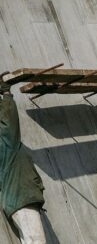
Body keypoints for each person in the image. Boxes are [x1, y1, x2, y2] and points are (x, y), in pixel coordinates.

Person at [0, 76, 46, 243]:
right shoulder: (7, 142)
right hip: (22, 203)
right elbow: (9, 120)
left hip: (16, 204)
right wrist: (6, 94)